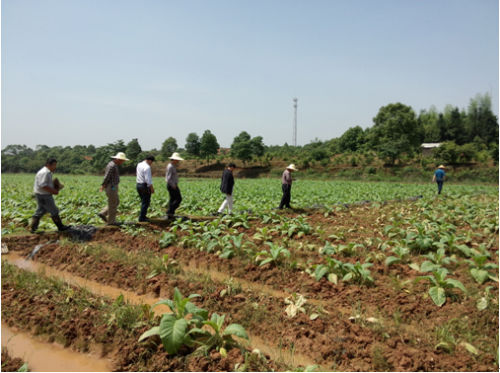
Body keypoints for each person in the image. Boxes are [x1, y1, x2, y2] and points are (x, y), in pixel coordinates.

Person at [30, 158, 70, 233]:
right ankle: (61, 227)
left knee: (41, 210)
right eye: (54, 165)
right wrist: (54, 191)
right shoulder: (45, 172)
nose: (55, 167)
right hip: (44, 195)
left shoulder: (45, 172)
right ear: (48, 165)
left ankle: (33, 228)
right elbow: (43, 185)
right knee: (54, 211)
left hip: (40, 194)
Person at [98, 152, 129, 225]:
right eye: (122, 160)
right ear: (118, 159)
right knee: (113, 204)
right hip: (111, 187)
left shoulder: (113, 165)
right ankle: (111, 222)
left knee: (116, 202)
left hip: (113, 187)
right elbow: (107, 176)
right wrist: (103, 185)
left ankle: (103, 213)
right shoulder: (112, 166)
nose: (123, 162)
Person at [136, 155, 155, 222]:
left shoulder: (139, 164)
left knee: (143, 201)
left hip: (138, 185)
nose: (151, 164)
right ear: (149, 160)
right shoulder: (147, 167)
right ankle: (142, 218)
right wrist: (152, 188)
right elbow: (148, 180)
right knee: (146, 202)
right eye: (151, 162)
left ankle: (143, 216)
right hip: (144, 186)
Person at [166, 152, 184, 218]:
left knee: (172, 199)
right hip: (172, 185)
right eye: (177, 160)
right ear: (174, 159)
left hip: (172, 184)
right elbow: (168, 178)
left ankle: (170, 214)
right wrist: (173, 185)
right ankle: (169, 211)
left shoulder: (172, 166)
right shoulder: (170, 166)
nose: (178, 161)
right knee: (179, 199)